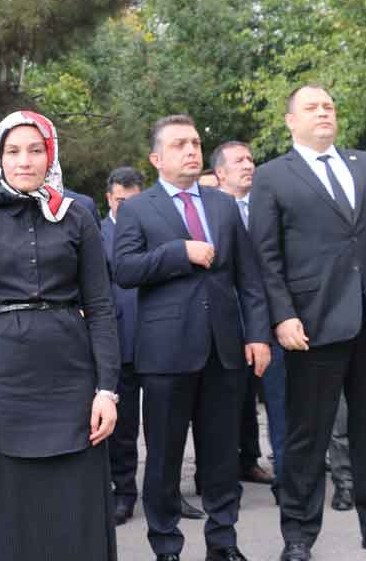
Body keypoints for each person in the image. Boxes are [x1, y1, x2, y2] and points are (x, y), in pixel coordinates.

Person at [249, 84, 366, 561]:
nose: (323, 112)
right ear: (291, 121)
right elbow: (265, 258)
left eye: (328, 106)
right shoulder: (272, 176)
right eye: (311, 107)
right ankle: (299, 537)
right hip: (312, 325)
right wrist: (282, 315)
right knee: (308, 437)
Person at [0, 111, 119, 561]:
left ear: (52, 155)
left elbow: (101, 308)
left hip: (72, 379)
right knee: (11, 507)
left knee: (77, 504)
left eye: (34, 149)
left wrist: (107, 391)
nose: (23, 160)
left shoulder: (78, 219)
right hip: (4, 386)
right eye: (12, 151)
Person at [114, 115, 272, 561]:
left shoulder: (222, 206)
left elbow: (250, 279)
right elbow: (124, 271)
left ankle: (224, 544)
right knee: (163, 461)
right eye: (180, 144)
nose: (191, 150)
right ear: (156, 158)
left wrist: (258, 334)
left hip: (224, 351)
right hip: (165, 355)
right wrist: (177, 253)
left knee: (221, 460)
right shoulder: (138, 208)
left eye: (196, 142)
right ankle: (166, 547)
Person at [211, 140, 278, 488]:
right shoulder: (211, 209)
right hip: (226, 319)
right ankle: (224, 467)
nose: (249, 165)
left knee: (266, 393)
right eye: (239, 161)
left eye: (251, 159)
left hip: (267, 315)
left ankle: (254, 458)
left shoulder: (264, 207)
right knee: (231, 396)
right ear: (220, 172)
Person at [101, 165, 147, 526]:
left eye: (134, 202)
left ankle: (170, 493)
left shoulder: (155, 228)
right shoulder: (96, 234)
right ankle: (124, 491)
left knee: (166, 426)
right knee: (123, 428)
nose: (128, 209)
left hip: (159, 341)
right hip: (118, 344)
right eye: (120, 202)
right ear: (108, 199)